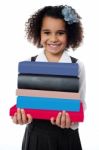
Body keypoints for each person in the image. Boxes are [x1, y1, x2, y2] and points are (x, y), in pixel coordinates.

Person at [12, 5, 86, 150]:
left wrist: (71, 122)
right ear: (39, 34)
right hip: (36, 136)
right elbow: (25, 101)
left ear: (69, 34)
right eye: (47, 32)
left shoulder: (77, 65)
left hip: (66, 137)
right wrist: (19, 116)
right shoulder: (28, 64)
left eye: (60, 33)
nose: (53, 39)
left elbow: (81, 104)